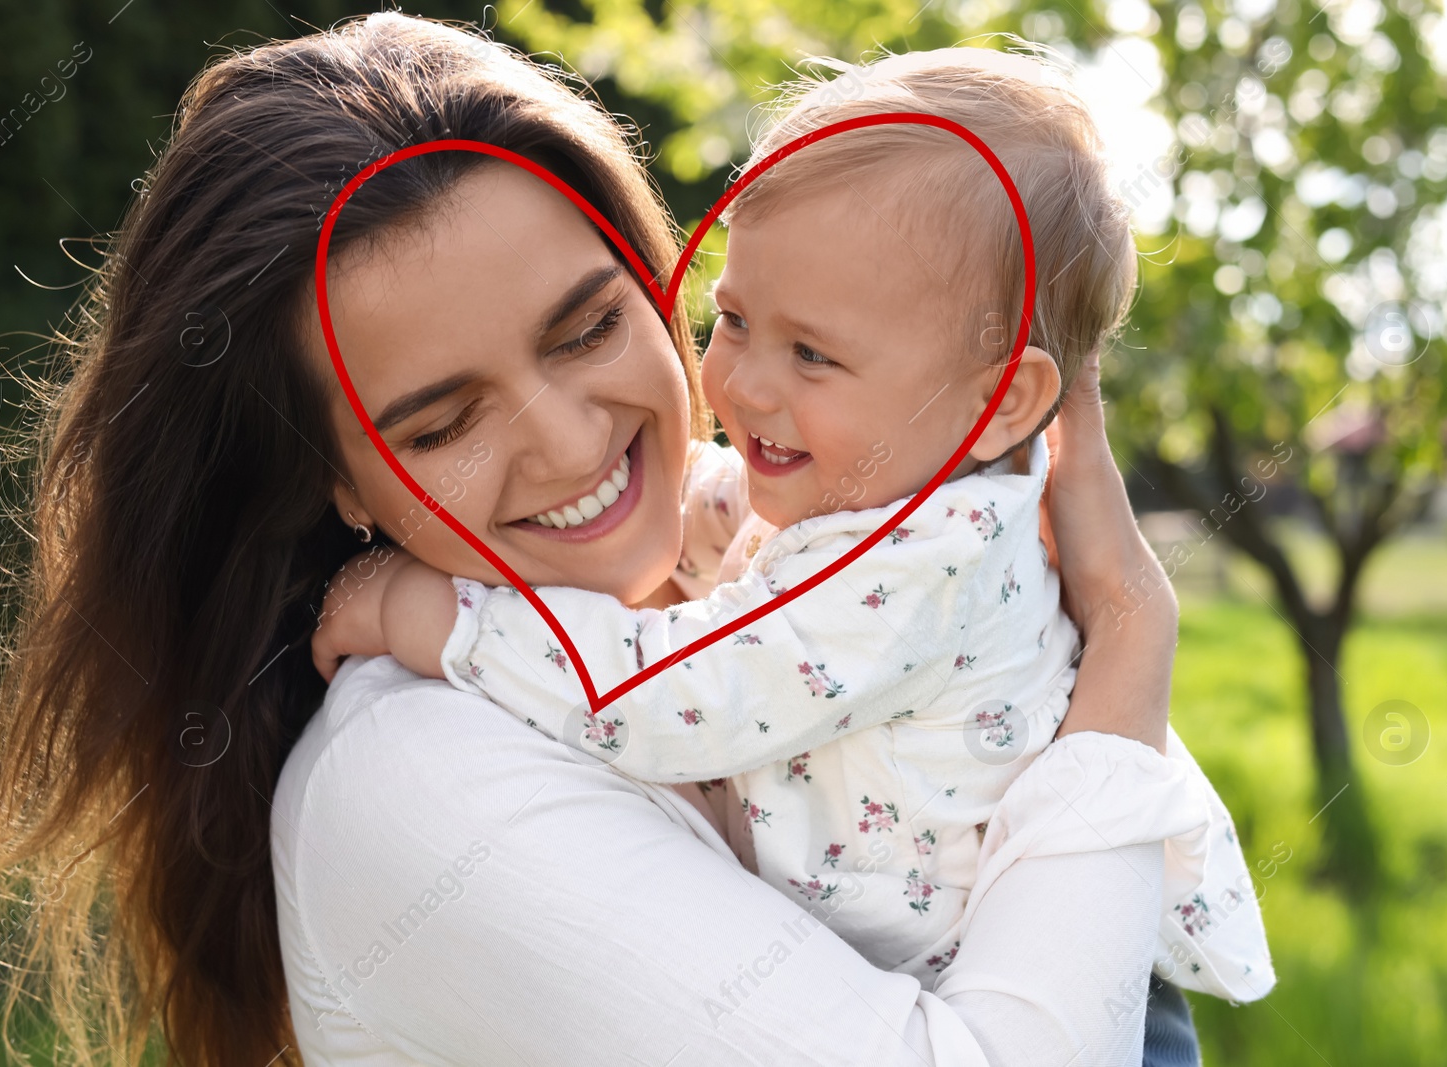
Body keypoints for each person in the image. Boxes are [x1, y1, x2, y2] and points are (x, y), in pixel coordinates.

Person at [0, 14, 1246, 1066]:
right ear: (338, 483)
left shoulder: (782, 547)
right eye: (445, 423)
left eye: (588, 328)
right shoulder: (421, 775)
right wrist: (1129, 645)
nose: (569, 442)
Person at [311, 46, 1272, 1003]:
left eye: (812, 353)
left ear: (999, 402)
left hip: (1095, 1009)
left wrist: (435, 617)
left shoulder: (918, 563)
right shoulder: (890, 490)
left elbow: (662, 696)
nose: (744, 383)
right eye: (732, 318)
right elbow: (723, 509)